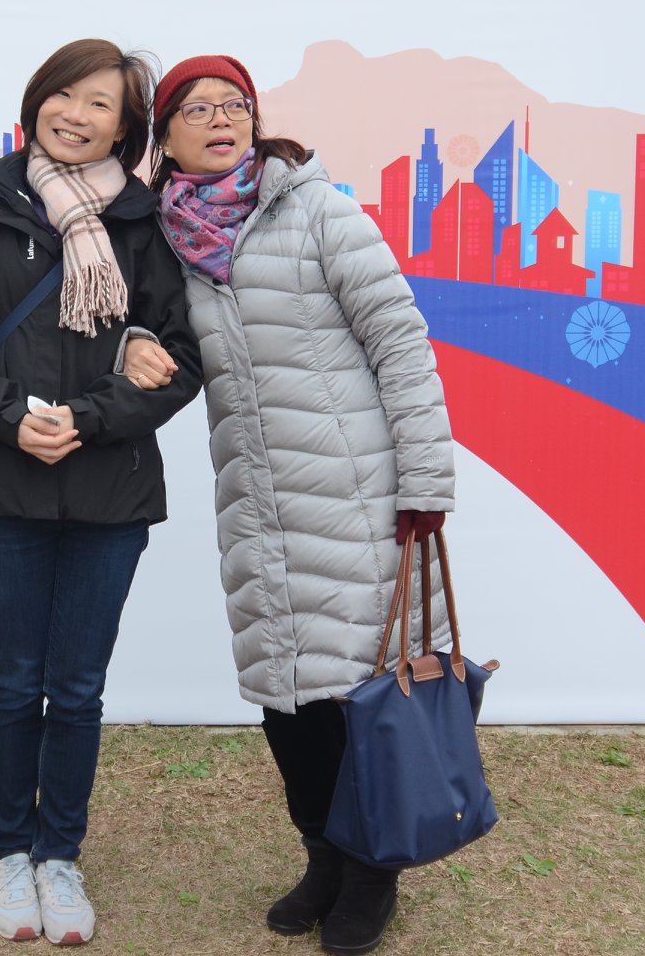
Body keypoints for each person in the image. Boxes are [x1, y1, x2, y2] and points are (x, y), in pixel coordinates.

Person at [123, 55, 454, 956]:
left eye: (235, 104)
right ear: (165, 137)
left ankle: (372, 873)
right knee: (286, 697)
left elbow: (401, 342)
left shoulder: (317, 210)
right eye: (197, 109)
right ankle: (322, 857)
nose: (221, 120)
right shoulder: (164, 239)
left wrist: (425, 483)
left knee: (359, 693)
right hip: (255, 500)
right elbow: (144, 336)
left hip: (356, 492)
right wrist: (131, 347)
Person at [0, 38, 202, 946]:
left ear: (126, 127)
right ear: (36, 102)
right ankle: (10, 852)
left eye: (100, 104)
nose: (76, 114)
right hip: (4, 486)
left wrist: (95, 415)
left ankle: (59, 855)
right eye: (63, 95)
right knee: (14, 683)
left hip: (110, 491)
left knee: (75, 689)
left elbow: (184, 356)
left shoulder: (146, 224)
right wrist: (6, 417)